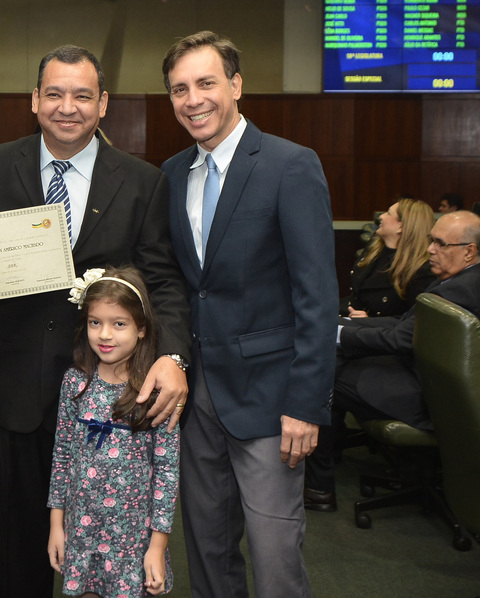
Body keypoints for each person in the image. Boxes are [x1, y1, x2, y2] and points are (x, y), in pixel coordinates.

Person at [0, 44, 191, 598]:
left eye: (82, 95)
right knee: (21, 542)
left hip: (107, 392)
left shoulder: (142, 180)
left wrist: (173, 355)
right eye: (54, 94)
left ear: (103, 104)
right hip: (16, 385)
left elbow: (163, 282)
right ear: (34, 99)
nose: (67, 107)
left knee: (105, 541)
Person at [160, 31, 338, 598]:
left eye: (206, 83)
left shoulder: (290, 164)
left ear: (236, 85)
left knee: (274, 552)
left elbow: (317, 295)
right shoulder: (171, 173)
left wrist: (306, 404)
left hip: (270, 398)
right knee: (207, 548)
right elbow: (181, 284)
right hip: (195, 397)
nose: (193, 100)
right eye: (179, 89)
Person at [306, 211, 480, 510]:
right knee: (333, 359)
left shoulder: (461, 289)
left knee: (324, 373)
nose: (430, 249)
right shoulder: (463, 281)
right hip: (430, 381)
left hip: (432, 398)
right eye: (431, 241)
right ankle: (319, 479)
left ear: (469, 251)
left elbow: (401, 338)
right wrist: (342, 326)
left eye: (440, 243)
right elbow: (404, 323)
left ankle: (318, 487)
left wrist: (336, 335)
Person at [48, 266, 179, 598]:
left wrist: (157, 545)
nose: (104, 334)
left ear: (142, 328)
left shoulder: (155, 392)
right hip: (81, 529)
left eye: (119, 324)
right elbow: (61, 457)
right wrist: (56, 526)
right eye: (95, 322)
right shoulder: (75, 383)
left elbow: (167, 472)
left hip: (132, 537)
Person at [340, 198, 435, 318]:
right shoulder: (375, 247)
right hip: (347, 316)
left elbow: (412, 320)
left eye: (388, 213)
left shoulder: (421, 269)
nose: (381, 216)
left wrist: (370, 321)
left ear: (401, 226)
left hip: (377, 328)